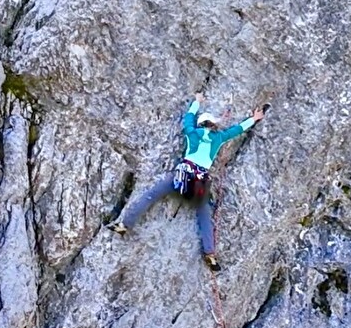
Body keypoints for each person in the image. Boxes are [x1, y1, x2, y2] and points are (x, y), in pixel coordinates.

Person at [107, 94, 267, 271]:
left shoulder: (192, 132)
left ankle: (124, 225)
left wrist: (197, 101)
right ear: (213, 125)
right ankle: (210, 254)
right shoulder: (219, 138)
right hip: (198, 182)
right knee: (204, 215)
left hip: (181, 175)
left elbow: (188, 118)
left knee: (150, 196)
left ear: (201, 124)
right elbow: (237, 130)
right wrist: (254, 118)